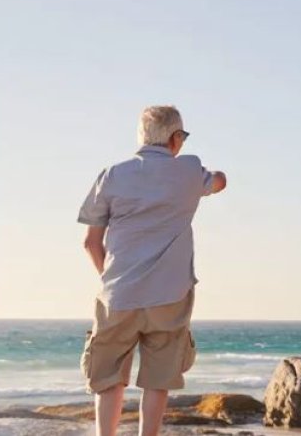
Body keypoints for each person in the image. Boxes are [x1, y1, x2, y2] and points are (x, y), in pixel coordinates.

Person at [77, 105, 228, 436]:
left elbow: (91, 242)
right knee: (158, 381)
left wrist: (111, 278)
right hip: (169, 296)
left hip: (118, 292)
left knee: (108, 379)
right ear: (175, 138)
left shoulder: (112, 175)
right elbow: (219, 182)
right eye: (183, 137)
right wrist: (214, 178)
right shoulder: (189, 170)